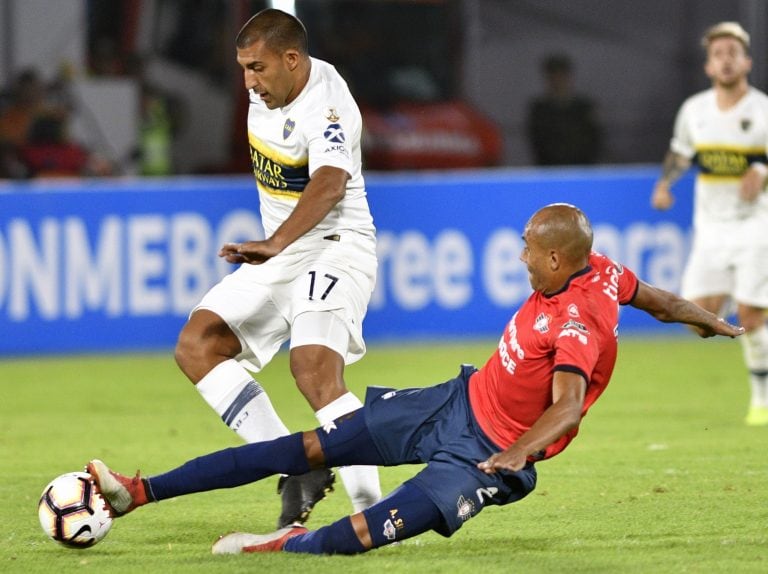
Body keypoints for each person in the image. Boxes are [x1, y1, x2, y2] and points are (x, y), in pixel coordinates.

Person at [87, 203, 743, 555]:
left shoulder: (574, 322)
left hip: (486, 455)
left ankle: (289, 545)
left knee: (366, 536)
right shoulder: (599, 268)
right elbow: (653, 297)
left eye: (525, 249)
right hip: (455, 400)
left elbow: (567, 408)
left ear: (552, 256)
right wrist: (706, 318)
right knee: (309, 448)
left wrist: (514, 452)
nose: (518, 258)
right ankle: (138, 493)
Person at [170, 8, 382, 527]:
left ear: (293, 60)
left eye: (258, 68)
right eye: (243, 67)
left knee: (313, 371)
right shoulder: (270, 80)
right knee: (198, 345)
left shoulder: (327, 104)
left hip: (336, 245)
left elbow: (330, 183)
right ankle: (297, 467)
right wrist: (276, 246)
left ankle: (374, 513)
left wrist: (274, 241)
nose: (249, 81)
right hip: (283, 252)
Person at [650, 21, 768, 426]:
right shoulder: (695, 111)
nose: (726, 60)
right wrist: (666, 183)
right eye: (718, 54)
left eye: (733, 52)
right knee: (700, 318)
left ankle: (762, 400)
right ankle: (748, 298)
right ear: (708, 66)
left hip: (755, 224)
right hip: (712, 228)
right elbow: (681, 153)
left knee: (751, 319)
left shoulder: (762, 109)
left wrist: (762, 170)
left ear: (746, 61)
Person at [526, 54, 601, 166]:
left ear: (569, 76)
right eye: (553, 76)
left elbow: (595, 140)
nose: (557, 80)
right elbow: (538, 142)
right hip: (550, 170)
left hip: (582, 169)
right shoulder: (539, 110)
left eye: (561, 75)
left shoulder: (584, 107)